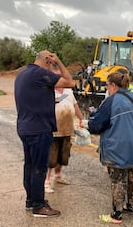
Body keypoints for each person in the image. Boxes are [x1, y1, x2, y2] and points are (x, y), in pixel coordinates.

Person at [14, 50, 74, 217]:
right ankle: (39, 206)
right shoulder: (41, 74)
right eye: (51, 62)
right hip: (39, 129)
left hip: (24, 127)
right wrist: (59, 62)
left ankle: (31, 200)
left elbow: (31, 97)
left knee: (30, 166)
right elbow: (70, 82)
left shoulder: (22, 74)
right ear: (48, 61)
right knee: (39, 168)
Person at [88, 71, 133, 224]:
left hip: (118, 146)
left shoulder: (110, 101)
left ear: (113, 85)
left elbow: (96, 126)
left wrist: (92, 117)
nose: (107, 88)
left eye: (107, 85)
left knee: (118, 180)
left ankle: (116, 215)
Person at [44, 65, 84, 193]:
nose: (59, 79)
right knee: (51, 156)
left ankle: (58, 175)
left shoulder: (68, 91)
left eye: (60, 76)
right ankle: (46, 182)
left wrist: (81, 118)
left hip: (67, 128)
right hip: (53, 129)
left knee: (63, 154)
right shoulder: (47, 90)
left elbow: (75, 105)